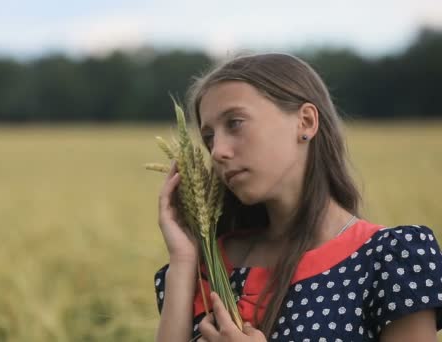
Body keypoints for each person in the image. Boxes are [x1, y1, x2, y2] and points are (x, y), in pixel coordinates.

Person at [153, 53, 442, 341]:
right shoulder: (204, 267)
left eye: (235, 123)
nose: (217, 152)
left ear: (305, 121)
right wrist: (183, 258)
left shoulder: (391, 258)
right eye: (209, 138)